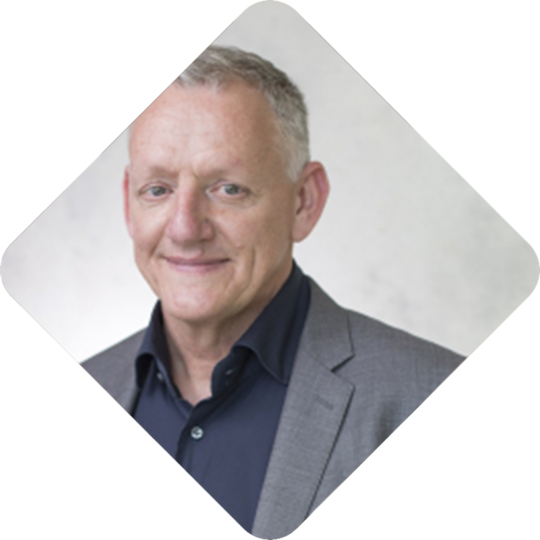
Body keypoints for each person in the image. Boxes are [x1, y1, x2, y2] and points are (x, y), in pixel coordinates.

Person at [83, 45, 464, 538]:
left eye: (228, 189)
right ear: (128, 203)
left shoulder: (433, 397)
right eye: (158, 190)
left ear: (304, 201)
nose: (184, 228)